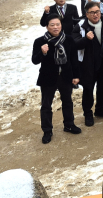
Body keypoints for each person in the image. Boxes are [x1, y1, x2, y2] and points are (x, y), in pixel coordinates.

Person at [32, 14, 81, 144]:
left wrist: (76, 75)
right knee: (46, 105)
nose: (55, 27)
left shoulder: (68, 40)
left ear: (61, 25)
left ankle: (69, 124)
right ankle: (47, 131)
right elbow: (35, 61)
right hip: (48, 78)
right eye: (52, 25)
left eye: (58, 24)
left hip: (65, 76)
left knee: (67, 101)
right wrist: (42, 52)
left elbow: (73, 59)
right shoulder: (40, 41)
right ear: (47, 26)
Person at [73, 1, 103, 126]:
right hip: (88, 63)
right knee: (88, 89)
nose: (95, 15)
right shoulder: (80, 26)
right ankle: (88, 113)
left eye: (97, 12)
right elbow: (74, 44)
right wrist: (86, 39)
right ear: (87, 14)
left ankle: (100, 109)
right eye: (92, 13)